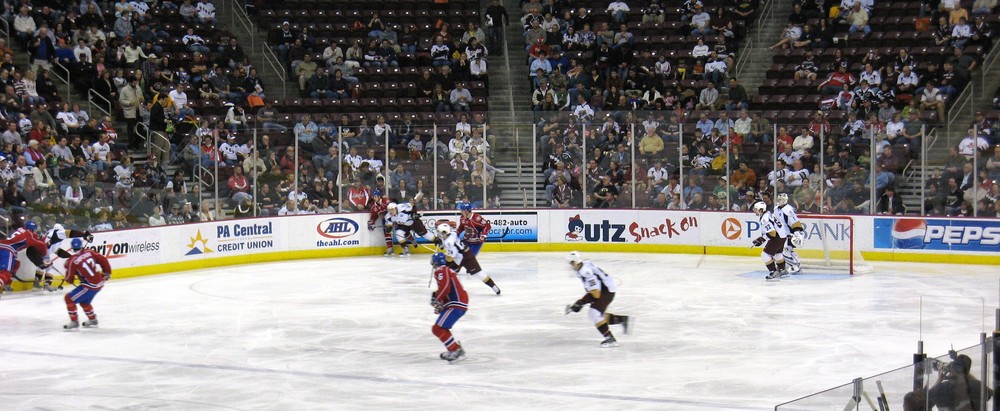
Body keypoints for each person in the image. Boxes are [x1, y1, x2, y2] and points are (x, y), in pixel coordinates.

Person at [565, 251, 630, 348]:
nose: (570, 266)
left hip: (607, 290)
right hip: (607, 288)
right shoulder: (583, 266)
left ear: (575, 262)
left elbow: (596, 294)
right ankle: (621, 319)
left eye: (571, 263)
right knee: (598, 313)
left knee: (594, 313)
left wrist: (581, 303)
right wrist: (580, 303)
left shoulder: (585, 272)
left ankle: (610, 339)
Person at [436, 223, 501, 295]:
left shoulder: (449, 243)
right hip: (465, 253)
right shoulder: (452, 234)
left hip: (463, 257)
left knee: (449, 271)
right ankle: (494, 287)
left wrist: (440, 258)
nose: (438, 234)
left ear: (444, 232)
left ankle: (454, 289)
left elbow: (450, 258)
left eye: (439, 232)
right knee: (448, 270)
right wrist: (442, 244)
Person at [61, 238, 112, 330]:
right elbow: (103, 260)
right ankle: (92, 319)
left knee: (68, 298)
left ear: (71, 248)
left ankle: (74, 322)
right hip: (99, 283)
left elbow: (69, 279)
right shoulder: (90, 252)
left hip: (89, 286)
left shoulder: (72, 261)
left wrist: (68, 272)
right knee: (84, 302)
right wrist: (106, 273)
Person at [429, 252, 468, 363]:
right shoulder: (446, 270)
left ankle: (456, 351)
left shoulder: (441, 270)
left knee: (437, 328)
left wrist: (438, 299)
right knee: (440, 328)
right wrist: (441, 300)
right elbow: (447, 288)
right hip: (456, 303)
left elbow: (446, 287)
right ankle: (454, 349)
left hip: (457, 303)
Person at [2, 221, 52, 292]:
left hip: (4, 247)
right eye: (34, 230)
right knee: (5, 271)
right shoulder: (28, 233)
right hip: (7, 249)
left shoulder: (21, 229)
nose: (35, 232)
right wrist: (44, 257)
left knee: (16, 264)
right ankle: (4, 284)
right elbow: (41, 245)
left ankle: (7, 285)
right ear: (31, 229)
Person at [751, 201, 788, 281]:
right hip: (782, 236)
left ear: (761, 210)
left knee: (765, 255)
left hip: (777, 237)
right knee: (777, 254)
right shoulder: (768, 213)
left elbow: (773, 233)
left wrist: (761, 239)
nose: (754, 210)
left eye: (755, 209)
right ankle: (782, 270)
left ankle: (773, 271)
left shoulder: (764, 218)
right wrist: (762, 238)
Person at [773, 193, 804, 274]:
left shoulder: (788, 210)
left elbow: (794, 222)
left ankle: (796, 266)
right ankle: (785, 266)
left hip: (787, 234)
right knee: (779, 251)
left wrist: (797, 233)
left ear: (784, 200)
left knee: (786, 251)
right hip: (779, 234)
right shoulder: (776, 208)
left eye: (779, 199)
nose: (778, 201)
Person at [367, 189, 395, 256]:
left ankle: (405, 247)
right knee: (386, 232)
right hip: (385, 220)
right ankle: (390, 248)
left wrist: (391, 221)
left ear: (379, 196)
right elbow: (374, 215)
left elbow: (394, 209)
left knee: (401, 230)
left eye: (376, 196)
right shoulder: (373, 206)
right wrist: (372, 222)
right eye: (373, 196)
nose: (374, 198)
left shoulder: (386, 201)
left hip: (394, 218)